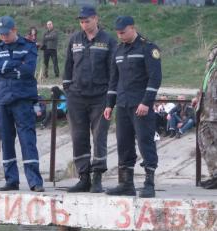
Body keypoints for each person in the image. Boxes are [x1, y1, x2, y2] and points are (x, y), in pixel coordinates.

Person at [104, 16, 162, 198]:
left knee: (145, 142)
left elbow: (155, 78)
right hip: (122, 105)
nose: (120, 36)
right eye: (117, 33)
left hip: (140, 105)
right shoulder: (118, 50)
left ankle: (149, 183)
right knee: (124, 144)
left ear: (132, 28)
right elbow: (114, 80)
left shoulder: (148, 47)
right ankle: (126, 184)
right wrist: (109, 105)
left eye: (123, 32)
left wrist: (146, 102)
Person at [63, 5, 117, 193]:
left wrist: (111, 96)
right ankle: (83, 177)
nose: (84, 24)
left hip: (100, 97)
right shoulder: (74, 40)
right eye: (81, 21)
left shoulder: (108, 40)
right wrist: (68, 90)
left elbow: (113, 71)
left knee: (99, 137)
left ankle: (97, 178)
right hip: (77, 96)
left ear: (95, 19)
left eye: (87, 20)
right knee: (78, 137)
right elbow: (68, 67)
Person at [0, 16, 44, 192]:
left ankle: (35, 181)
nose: (3, 37)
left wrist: (7, 68)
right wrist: (15, 65)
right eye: (1, 34)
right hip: (2, 100)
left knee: (27, 140)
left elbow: (28, 69)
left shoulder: (29, 46)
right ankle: (11, 180)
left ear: (14, 30)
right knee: (6, 140)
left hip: (23, 99)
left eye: (6, 33)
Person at [199, 43, 217, 189]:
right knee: (205, 143)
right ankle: (215, 174)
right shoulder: (214, 51)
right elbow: (207, 78)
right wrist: (199, 96)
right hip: (208, 107)